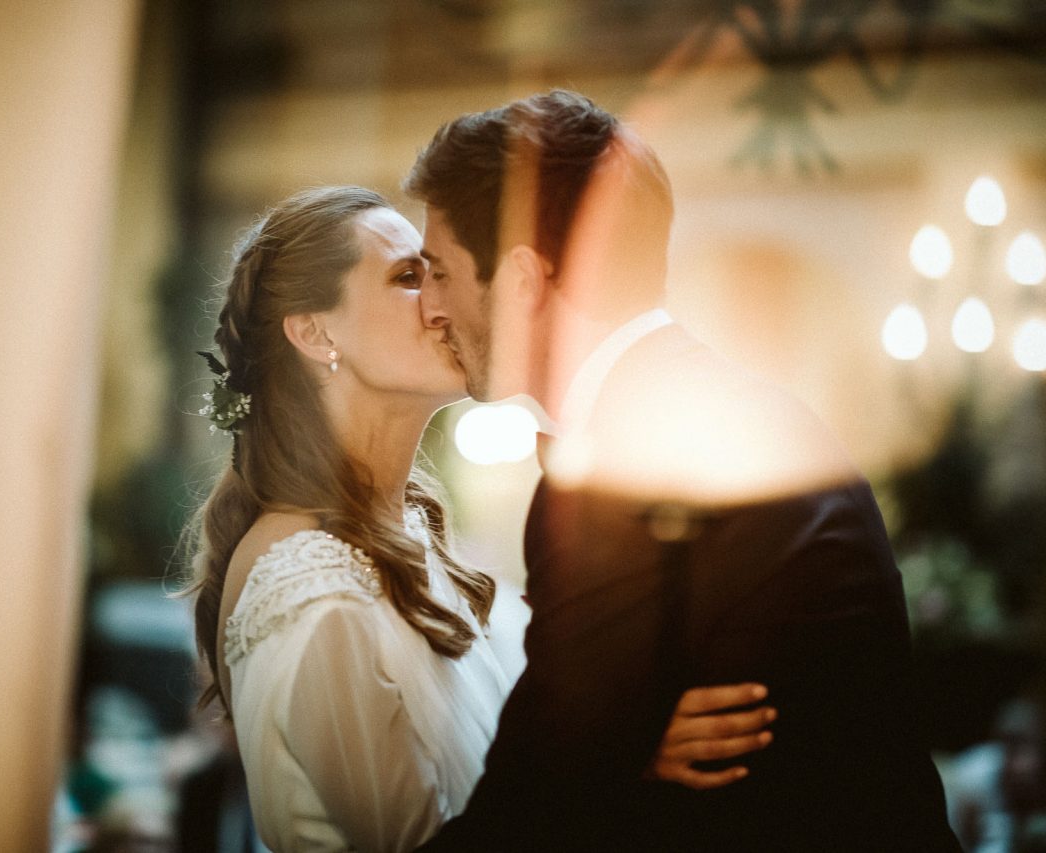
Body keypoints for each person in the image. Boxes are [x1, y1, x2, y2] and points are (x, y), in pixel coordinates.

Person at [405, 91, 962, 851]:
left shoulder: (623, 462)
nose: (428, 306)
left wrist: (604, 755)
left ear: (525, 280)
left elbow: (531, 804)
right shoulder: (720, 405)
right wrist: (622, 747)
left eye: (438, 271)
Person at [183, 186, 777, 852]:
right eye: (409, 277)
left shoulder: (407, 535)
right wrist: (624, 766)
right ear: (316, 331)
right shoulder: (314, 592)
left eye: (438, 273)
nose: (441, 303)